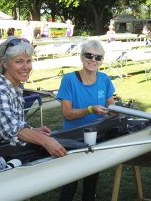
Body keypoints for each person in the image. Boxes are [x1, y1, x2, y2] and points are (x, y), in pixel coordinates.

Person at [0, 36, 66, 158]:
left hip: (6, 152)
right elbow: (12, 129)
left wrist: (32, 131)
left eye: (28, 61)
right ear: (4, 63)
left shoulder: (15, 86)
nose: (26, 67)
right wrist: (46, 141)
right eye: (19, 62)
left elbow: (13, 125)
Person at [57, 40, 116, 201]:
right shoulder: (69, 79)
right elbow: (67, 113)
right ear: (82, 57)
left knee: (91, 181)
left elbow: (112, 108)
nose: (93, 60)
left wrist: (118, 111)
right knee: (69, 182)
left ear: (102, 60)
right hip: (72, 137)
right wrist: (90, 109)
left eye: (98, 57)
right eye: (89, 55)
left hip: (96, 136)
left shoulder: (104, 79)